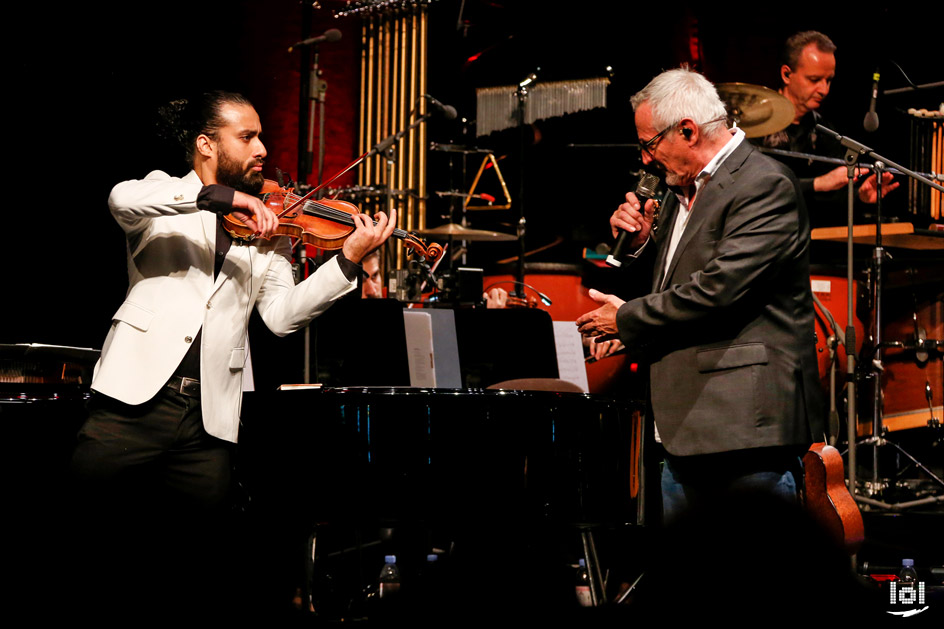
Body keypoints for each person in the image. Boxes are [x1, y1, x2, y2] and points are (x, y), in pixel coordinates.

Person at [70, 90, 395, 614]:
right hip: (129, 406)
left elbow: (281, 317)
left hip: (209, 419)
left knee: (201, 569)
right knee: (92, 544)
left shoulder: (271, 228)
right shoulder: (160, 193)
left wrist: (348, 262)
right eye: (247, 137)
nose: (262, 148)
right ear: (206, 144)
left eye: (261, 136)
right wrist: (222, 198)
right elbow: (118, 199)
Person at [576, 68, 824, 523]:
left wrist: (627, 319)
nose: (647, 159)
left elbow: (718, 289)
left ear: (687, 130)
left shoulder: (764, 184)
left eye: (650, 143)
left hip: (742, 431)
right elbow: (674, 284)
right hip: (687, 426)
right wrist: (638, 244)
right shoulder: (682, 191)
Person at [759, 31, 896, 221]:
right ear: (787, 74)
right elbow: (753, 190)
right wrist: (817, 183)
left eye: (828, 80)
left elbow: (829, 195)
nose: (824, 90)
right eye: (814, 80)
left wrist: (860, 196)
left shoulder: (823, 129)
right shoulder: (755, 123)